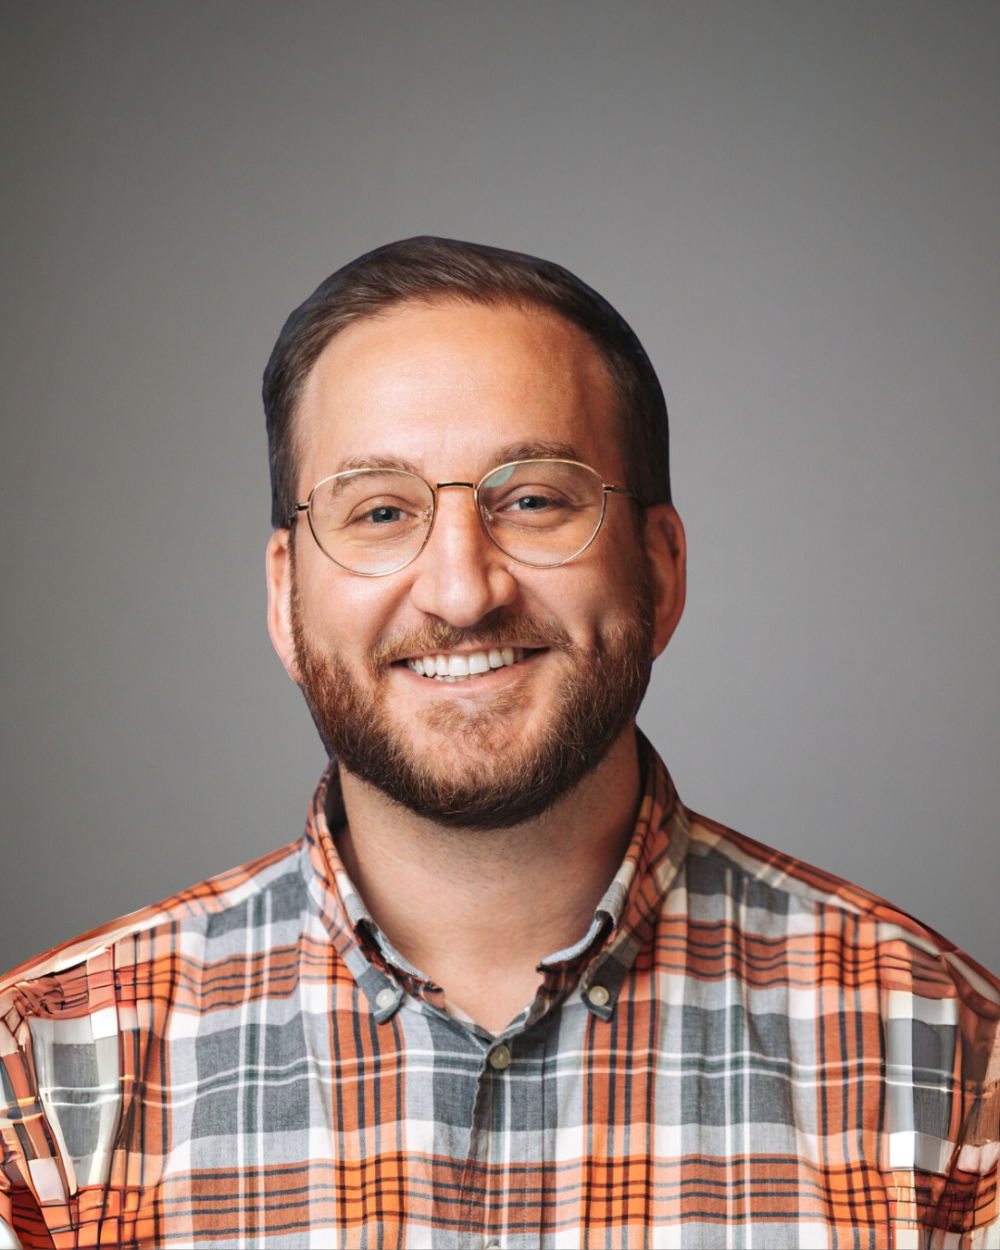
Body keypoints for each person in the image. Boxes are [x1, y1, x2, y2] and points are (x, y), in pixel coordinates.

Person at [0, 238, 996, 1250]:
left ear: (661, 568)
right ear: (282, 593)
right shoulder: (40, 1086)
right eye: (380, 511)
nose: (462, 589)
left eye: (531, 500)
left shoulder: (953, 1066)